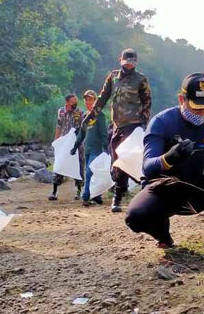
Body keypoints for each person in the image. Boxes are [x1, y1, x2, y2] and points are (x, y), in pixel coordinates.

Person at [125, 73, 204, 249]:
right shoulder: (161, 122)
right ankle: (163, 236)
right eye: (197, 108)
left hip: (195, 189)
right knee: (136, 216)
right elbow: (147, 168)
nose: (203, 113)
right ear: (181, 99)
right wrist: (169, 158)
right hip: (163, 190)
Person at [82, 48, 152, 212]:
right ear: (120, 59)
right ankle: (121, 190)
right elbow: (102, 98)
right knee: (115, 162)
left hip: (134, 126)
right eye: (126, 61)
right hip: (117, 126)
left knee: (129, 159)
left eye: (132, 61)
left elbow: (147, 102)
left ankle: (121, 197)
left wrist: (143, 124)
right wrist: (90, 116)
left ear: (136, 62)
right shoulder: (113, 77)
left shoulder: (141, 79)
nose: (129, 64)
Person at [50, 94, 84, 201]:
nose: (75, 103)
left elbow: (83, 127)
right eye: (73, 101)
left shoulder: (79, 112)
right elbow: (59, 125)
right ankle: (54, 192)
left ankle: (79, 191)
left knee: (79, 166)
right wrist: (56, 140)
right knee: (59, 165)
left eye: (76, 101)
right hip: (64, 142)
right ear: (67, 102)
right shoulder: (61, 111)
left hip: (77, 142)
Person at [78, 90, 108, 207]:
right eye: (86, 100)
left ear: (96, 101)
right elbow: (82, 133)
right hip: (87, 149)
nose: (88, 102)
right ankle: (97, 195)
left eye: (90, 99)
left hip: (97, 149)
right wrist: (76, 144)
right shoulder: (85, 116)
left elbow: (103, 132)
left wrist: (106, 146)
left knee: (90, 171)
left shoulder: (100, 115)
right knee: (93, 172)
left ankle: (86, 196)